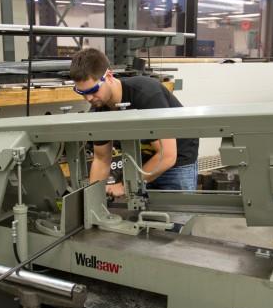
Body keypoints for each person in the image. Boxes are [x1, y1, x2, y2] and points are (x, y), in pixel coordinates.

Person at [69, 47, 198, 197]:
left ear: (109, 77)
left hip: (176, 162)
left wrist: (125, 186)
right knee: (143, 216)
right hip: (141, 163)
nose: (89, 98)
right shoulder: (99, 110)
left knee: (177, 216)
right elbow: (101, 158)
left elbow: (167, 155)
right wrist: (92, 199)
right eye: (82, 93)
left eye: (93, 90)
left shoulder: (147, 95)